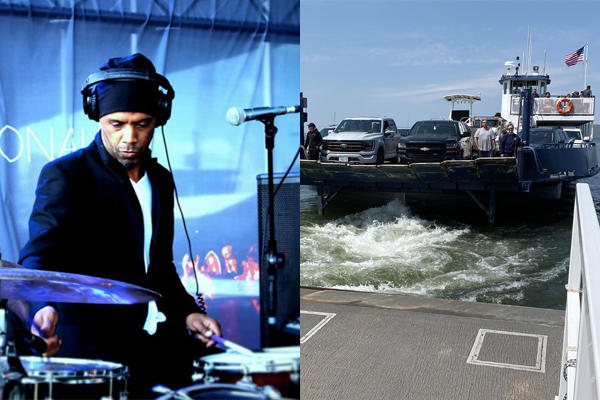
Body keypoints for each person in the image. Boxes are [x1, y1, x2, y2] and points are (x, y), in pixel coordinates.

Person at [18, 53, 222, 399]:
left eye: (142, 124)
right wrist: (43, 308)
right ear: (97, 117)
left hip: (154, 346)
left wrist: (188, 312)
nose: (130, 137)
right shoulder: (66, 175)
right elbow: (39, 258)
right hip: (89, 349)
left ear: (158, 120)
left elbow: (157, 267)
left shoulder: (160, 180)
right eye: (117, 124)